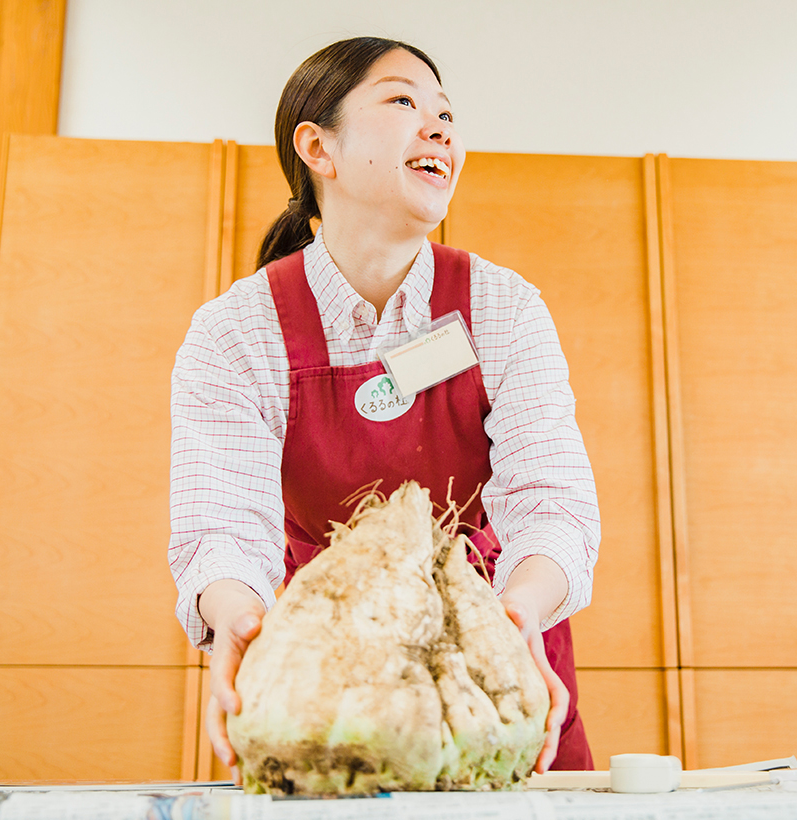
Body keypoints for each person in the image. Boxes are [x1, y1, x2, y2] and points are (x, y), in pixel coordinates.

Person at [169, 36, 600, 782]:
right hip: (328, 664)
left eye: (446, 113)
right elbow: (223, 525)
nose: (439, 128)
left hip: (494, 648)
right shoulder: (236, 332)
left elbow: (552, 504)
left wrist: (519, 614)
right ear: (318, 148)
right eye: (403, 100)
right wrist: (239, 623)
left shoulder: (504, 308)